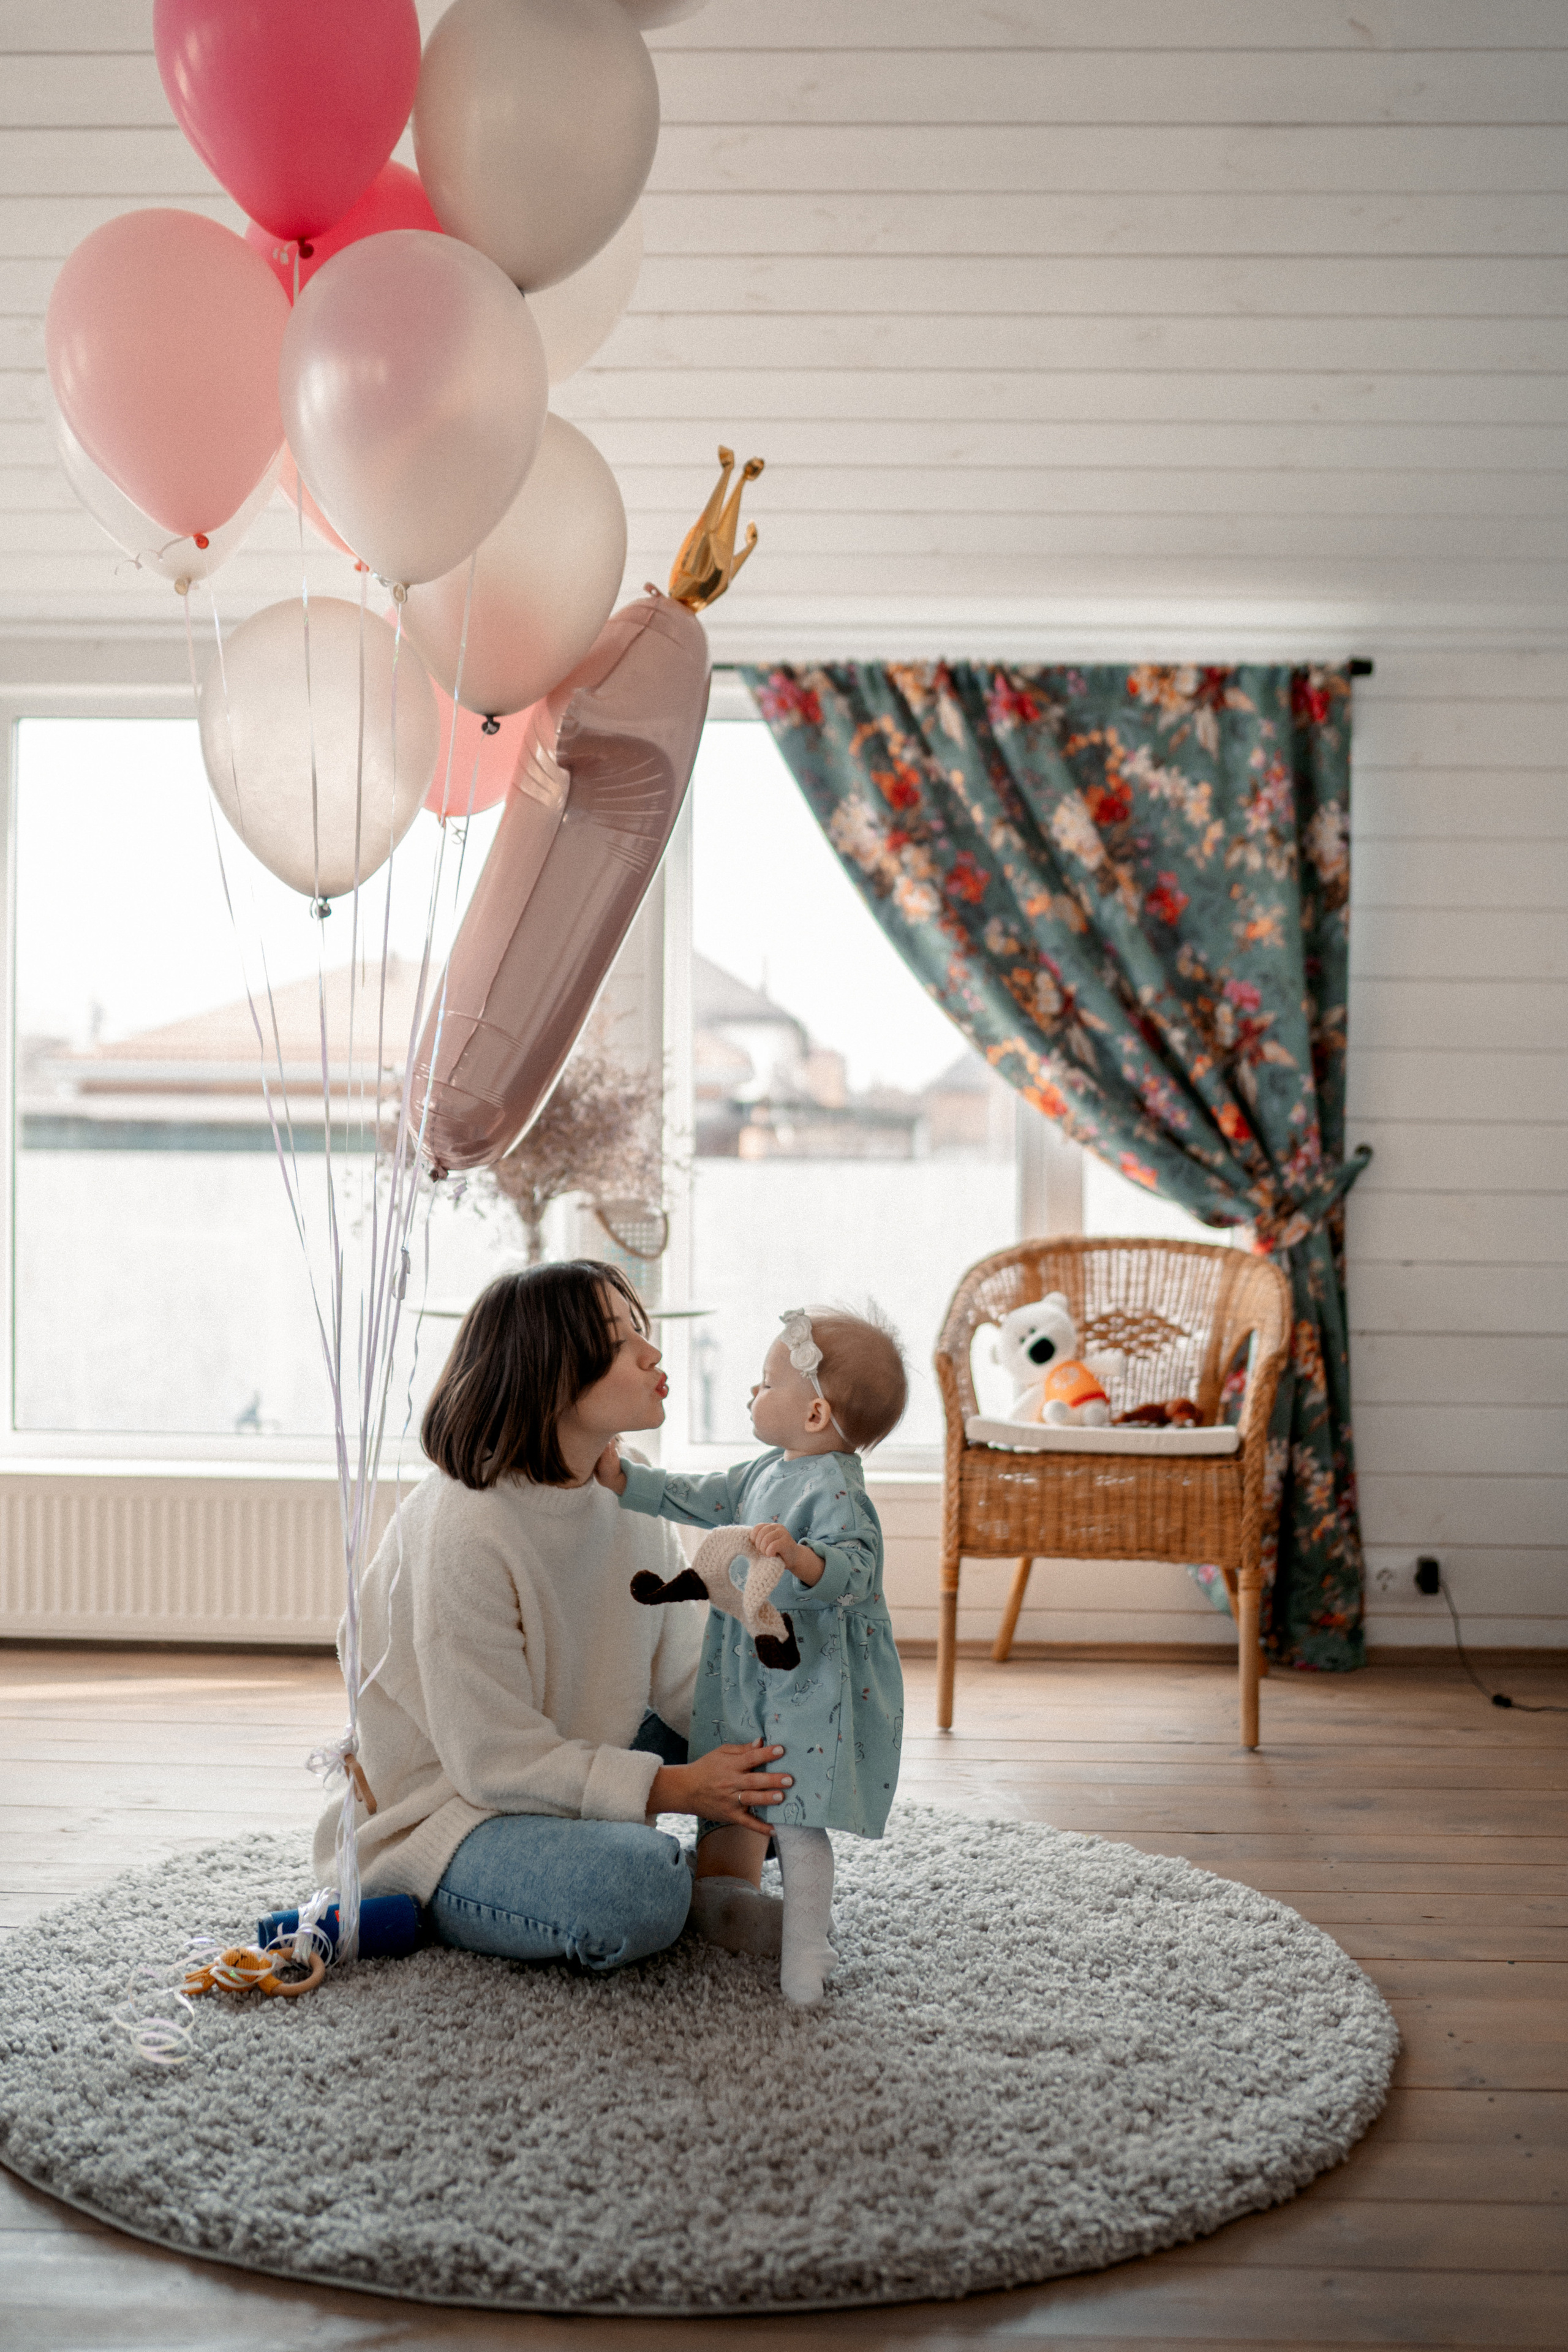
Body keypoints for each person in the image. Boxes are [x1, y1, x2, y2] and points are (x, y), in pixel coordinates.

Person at [310, 1261, 794, 1973]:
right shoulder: (464, 1525)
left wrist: (780, 1720)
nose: (651, 1353)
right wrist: (679, 1790)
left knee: (773, 1740)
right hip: (455, 1811)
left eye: (642, 1331)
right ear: (547, 1369)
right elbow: (491, 1760)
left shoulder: (627, 1491)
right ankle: (657, 1884)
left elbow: (691, 1678)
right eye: (620, 1338)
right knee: (635, 1889)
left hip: (570, 1760)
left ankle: (723, 1885)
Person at [597, 1306, 907, 2004]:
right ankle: (730, 1894)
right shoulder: (768, 1468)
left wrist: (799, 1558)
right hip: (748, 1665)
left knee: (795, 1814)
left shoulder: (839, 1492)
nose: (750, 1394)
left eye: (765, 1384)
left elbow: (857, 1573)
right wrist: (628, 1484)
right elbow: (706, 1499)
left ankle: (806, 1949)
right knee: (742, 1780)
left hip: (813, 1679)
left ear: (814, 1413)